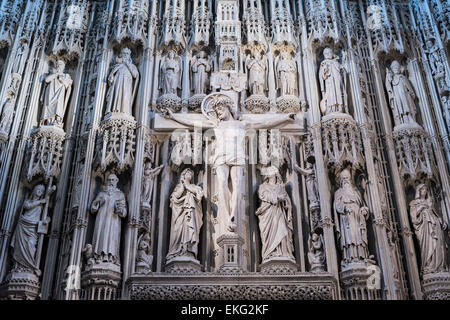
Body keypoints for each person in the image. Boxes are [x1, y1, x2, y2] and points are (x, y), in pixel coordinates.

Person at [409, 183, 448, 274]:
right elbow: (413, 217)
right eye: (422, 189)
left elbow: (435, 214)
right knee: (428, 244)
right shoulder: (414, 203)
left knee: (438, 244)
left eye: (426, 189)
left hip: (435, 225)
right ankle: (429, 266)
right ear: (418, 191)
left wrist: (441, 221)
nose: (424, 191)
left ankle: (439, 266)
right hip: (425, 228)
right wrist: (421, 207)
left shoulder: (429, 202)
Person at [166, 168, 203, 261]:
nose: (189, 176)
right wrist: (183, 186)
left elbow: (199, 195)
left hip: (191, 214)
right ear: (183, 175)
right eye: (187, 174)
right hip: (180, 214)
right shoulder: (179, 187)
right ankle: (177, 251)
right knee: (178, 231)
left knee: (191, 231)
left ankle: (189, 251)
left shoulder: (194, 187)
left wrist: (188, 186)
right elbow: (175, 197)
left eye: (191, 174)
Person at [91, 174, 127, 264]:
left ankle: (111, 257)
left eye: (113, 180)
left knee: (111, 238)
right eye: (109, 180)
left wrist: (121, 210)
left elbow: (124, 211)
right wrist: (97, 203)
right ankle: (98, 256)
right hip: (101, 219)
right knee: (101, 236)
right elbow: (93, 208)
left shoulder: (120, 195)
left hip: (113, 220)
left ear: (117, 181)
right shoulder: (101, 194)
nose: (111, 182)